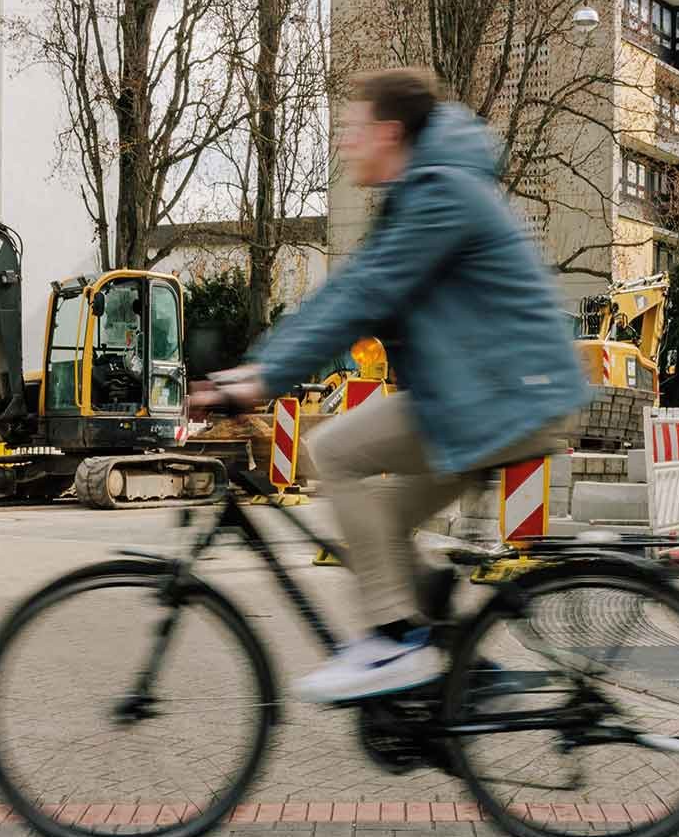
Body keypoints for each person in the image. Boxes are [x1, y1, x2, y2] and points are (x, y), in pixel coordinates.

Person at [192, 69, 589, 703]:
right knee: (379, 523)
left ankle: (393, 640)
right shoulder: (425, 192)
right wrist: (258, 368)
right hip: (488, 398)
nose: (344, 143)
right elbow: (352, 289)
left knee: (334, 450)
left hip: (501, 399)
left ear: (389, 133)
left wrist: (263, 376)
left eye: (353, 129)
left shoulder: (441, 194)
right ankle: (454, 659)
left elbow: (364, 296)